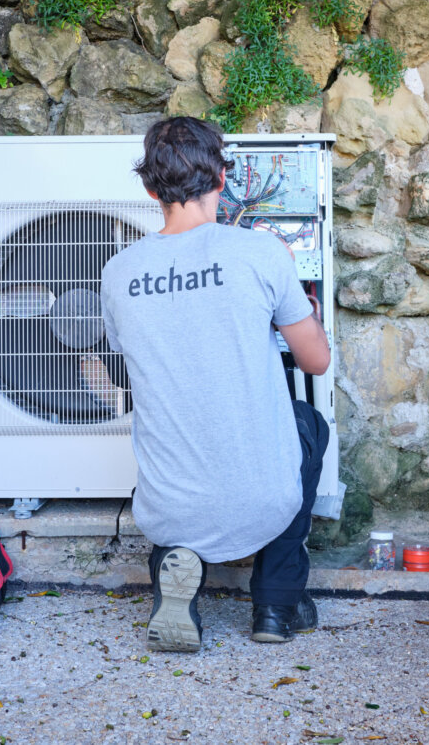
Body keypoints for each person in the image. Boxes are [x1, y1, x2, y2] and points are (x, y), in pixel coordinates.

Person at [100, 117, 331, 651]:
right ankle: (275, 605)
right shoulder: (261, 253)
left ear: (151, 189)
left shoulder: (118, 270)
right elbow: (315, 362)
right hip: (261, 497)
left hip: (169, 505)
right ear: (222, 179)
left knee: (176, 456)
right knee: (309, 425)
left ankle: (174, 571)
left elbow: (122, 366)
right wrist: (300, 310)